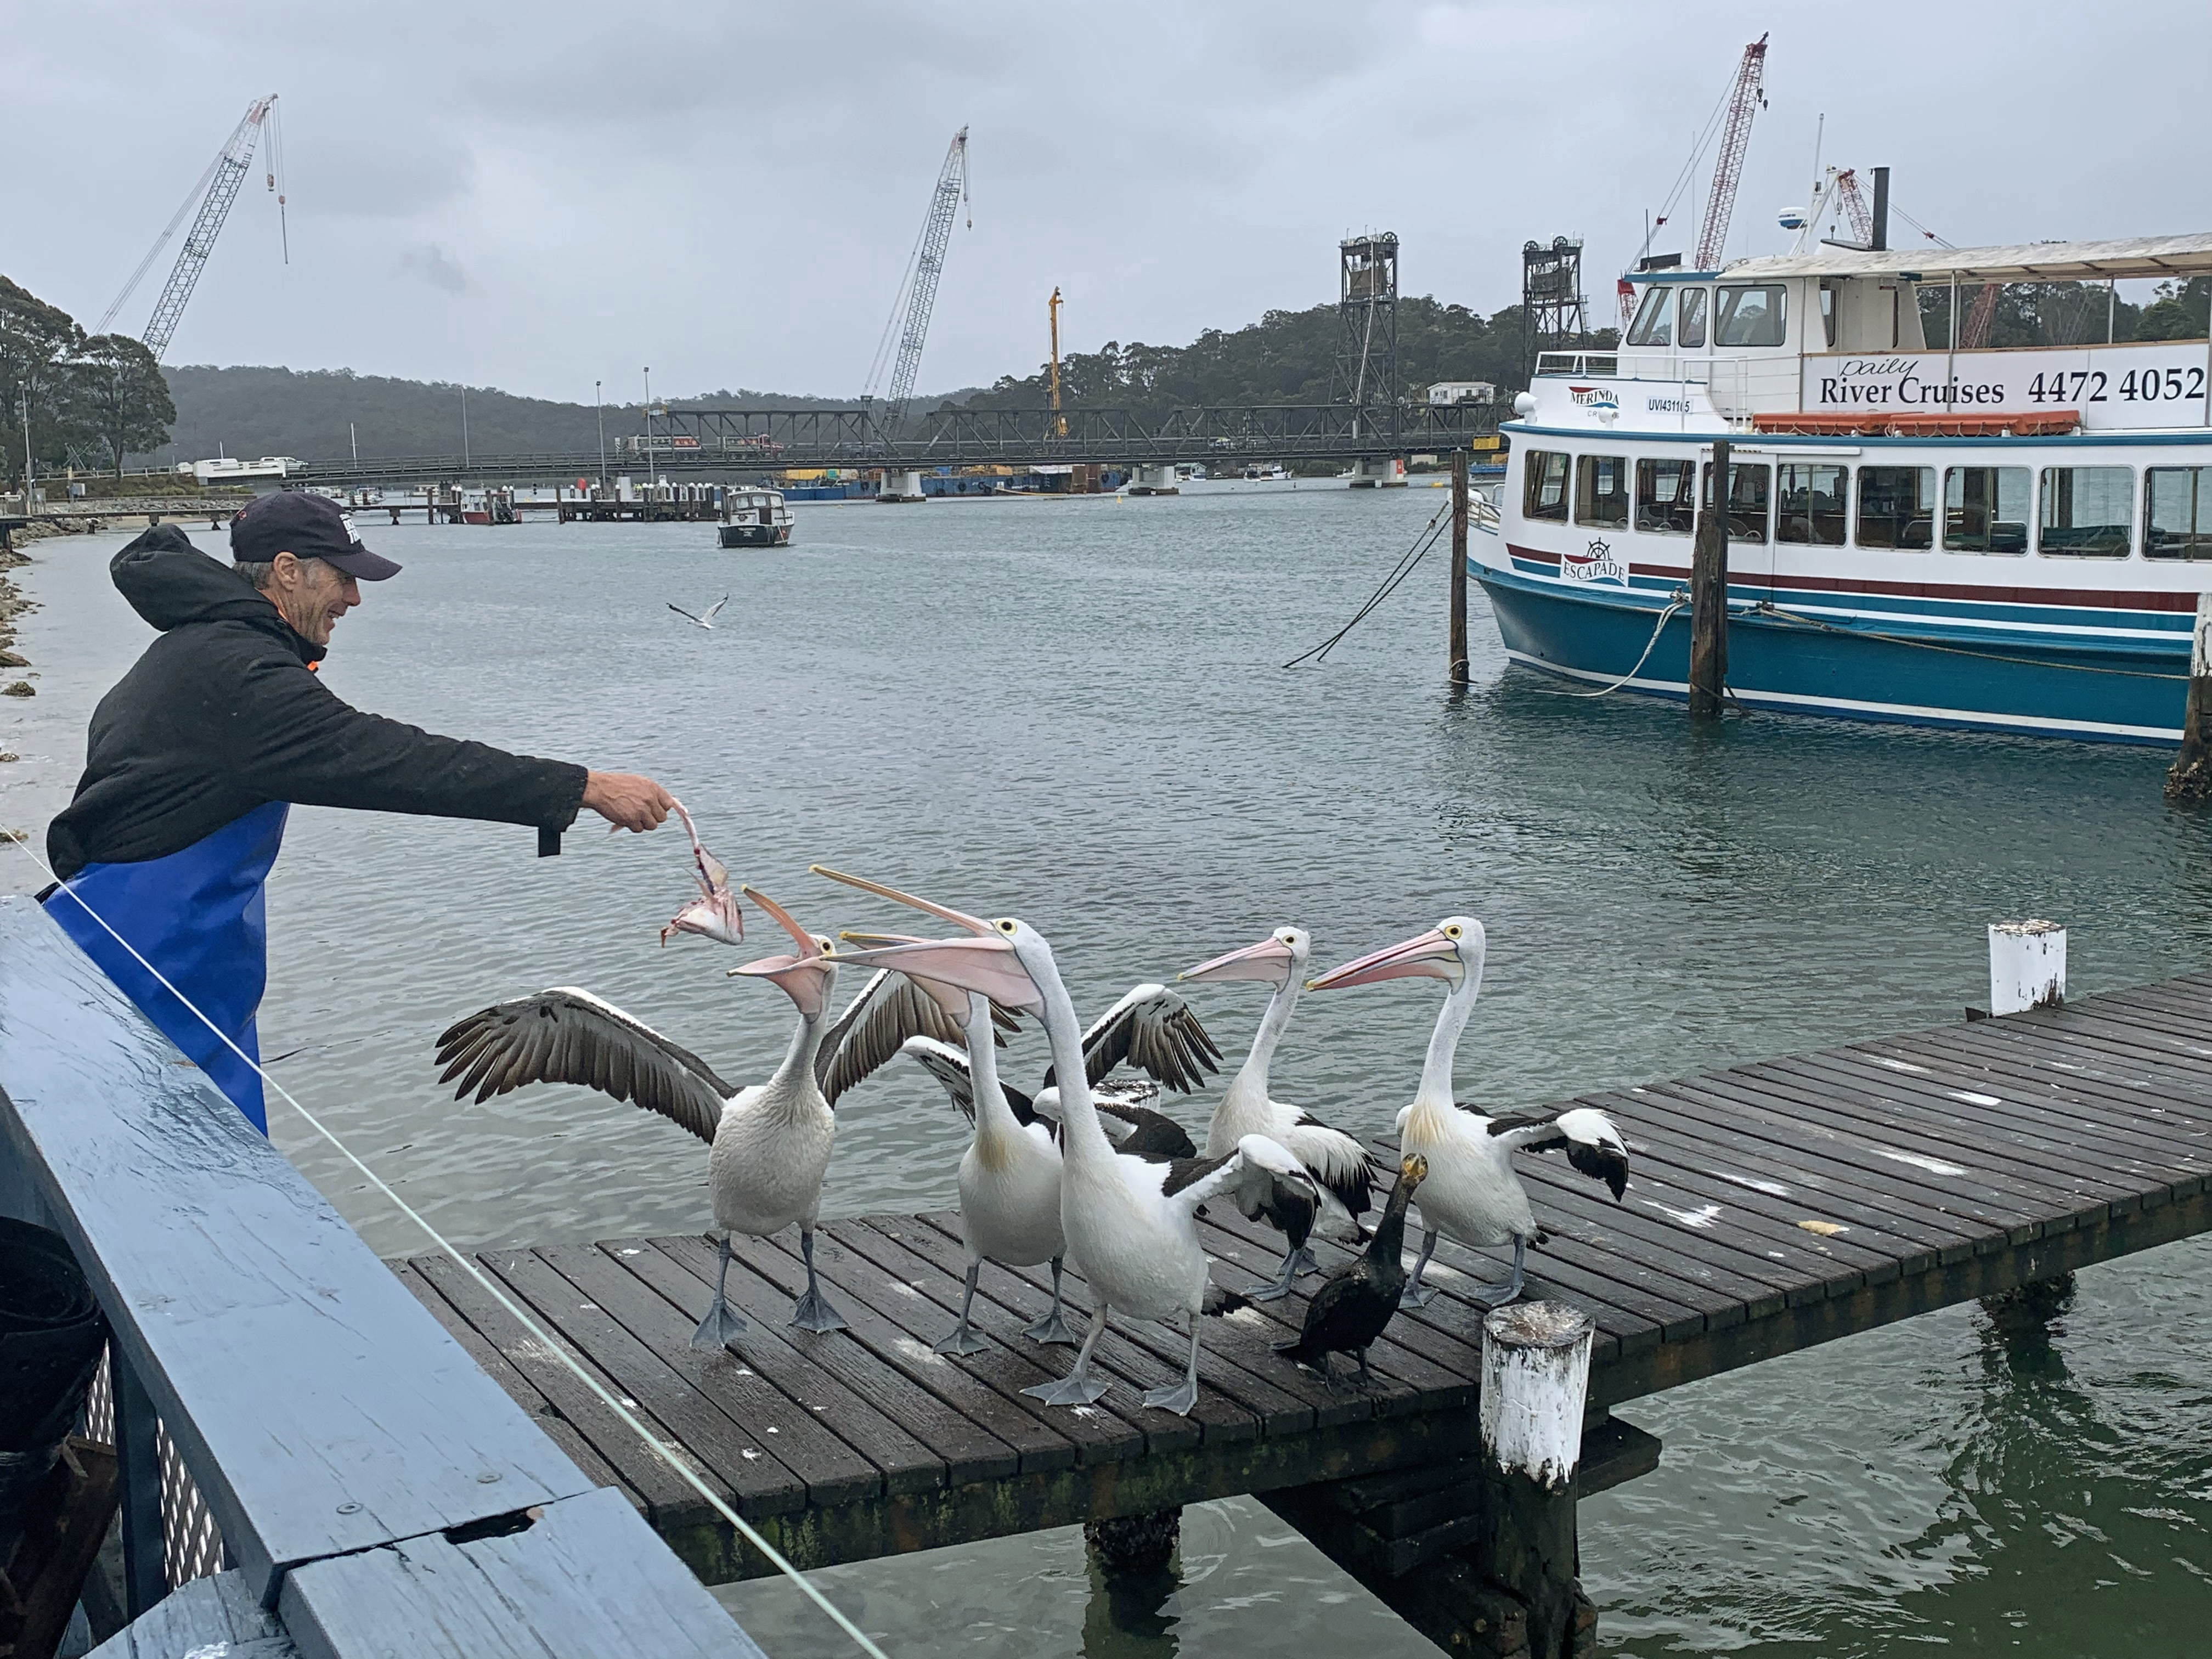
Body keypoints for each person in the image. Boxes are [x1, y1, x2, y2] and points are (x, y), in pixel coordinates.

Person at [42, 492, 676, 1133]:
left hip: (164, 970)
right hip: (142, 978)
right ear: (287, 570)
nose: (354, 597)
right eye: (343, 576)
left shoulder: (194, 650)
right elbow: (399, 762)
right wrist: (583, 786)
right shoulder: (244, 675)